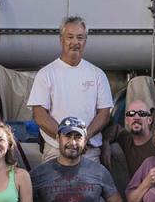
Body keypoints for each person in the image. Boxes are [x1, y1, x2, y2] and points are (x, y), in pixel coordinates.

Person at [27, 17, 113, 161]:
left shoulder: (98, 74)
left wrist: (84, 137)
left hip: (88, 151)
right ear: (61, 40)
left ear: (85, 41)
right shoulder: (46, 73)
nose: (75, 42)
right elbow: (39, 114)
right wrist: (64, 139)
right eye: (70, 37)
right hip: (55, 150)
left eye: (80, 37)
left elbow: (104, 114)